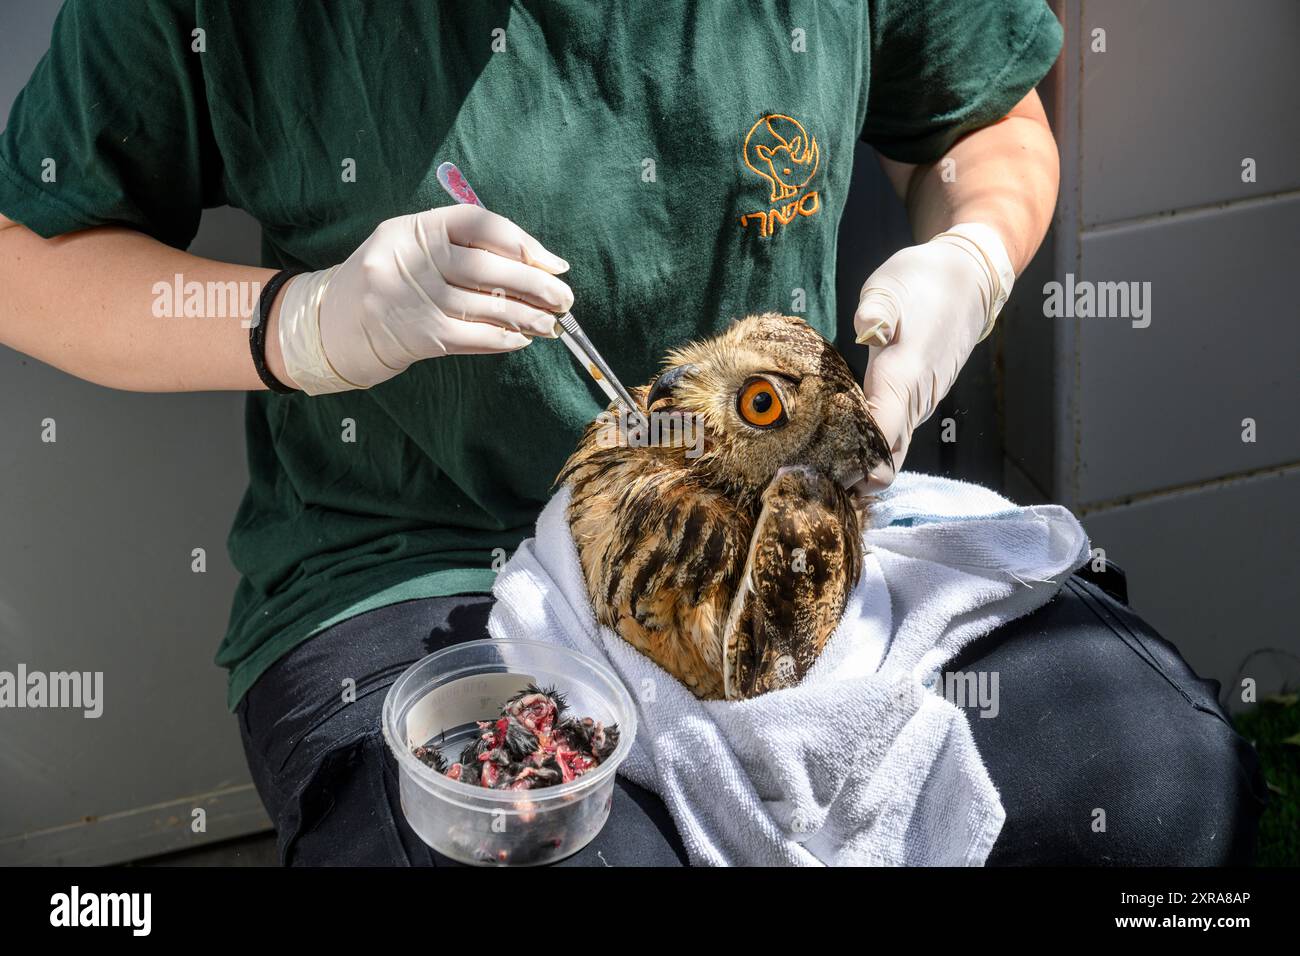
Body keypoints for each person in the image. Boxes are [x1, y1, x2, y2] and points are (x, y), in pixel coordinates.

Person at [0, 0, 1262, 865]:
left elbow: (986, 121)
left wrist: (971, 258)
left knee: (1154, 787)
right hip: (420, 567)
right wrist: (305, 323)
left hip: (777, 515)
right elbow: (25, 256)